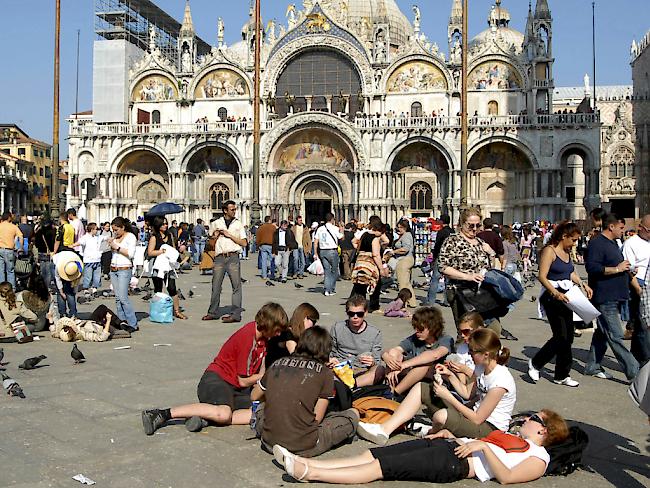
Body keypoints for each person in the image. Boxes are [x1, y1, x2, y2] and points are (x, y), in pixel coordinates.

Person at [272, 409, 570, 485]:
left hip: (458, 465)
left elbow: (506, 477)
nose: (525, 420)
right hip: (453, 449)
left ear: (543, 430)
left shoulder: (539, 456)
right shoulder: (515, 438)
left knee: (381, 469)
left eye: (532, 419)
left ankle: (308, 473)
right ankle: (307, 462)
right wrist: (454, 437)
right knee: (375, 454)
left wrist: (482, 446)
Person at [141, 303, 289, 435]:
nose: (278, 334)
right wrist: (266, 377)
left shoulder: (263, 340)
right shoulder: (247, 337)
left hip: (233, 387)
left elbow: (258, 375)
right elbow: (244, 381)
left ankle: (207, 417)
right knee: (224, 414)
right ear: (269, 324)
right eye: (277, 330)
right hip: (216, 380)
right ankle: (162, 414)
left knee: (261, 409)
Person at [358, 328, 515, 443]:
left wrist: (447, 396)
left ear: (486, 354)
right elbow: (468, 394)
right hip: (473, 415)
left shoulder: (500, 381)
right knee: (422, 387)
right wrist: (450, 375)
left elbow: (477, 419)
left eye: (473, 352)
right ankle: (385, 430)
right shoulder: (481, 367)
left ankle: (435, 432)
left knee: (441, 416)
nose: (470, 355)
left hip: (489, 429)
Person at [252, 326, 359, 456]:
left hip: (269, 441)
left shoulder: (277, 363)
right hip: (303, 446)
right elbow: (317, 419)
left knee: (262, 407)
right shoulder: (325, 373)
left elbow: (254, 396)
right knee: (352, 414)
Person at [528, 221, 592, 387]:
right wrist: (555, 293)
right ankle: (535, 363)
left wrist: (582, 284)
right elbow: (542, 276)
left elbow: (570, 272)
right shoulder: (549, 251)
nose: (575, 243)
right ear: (564, 236)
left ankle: (561, 375)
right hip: (552, 296)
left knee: (568, 336)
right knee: (560, 336)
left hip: (567, 295)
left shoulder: (567, 251)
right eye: (573, 240)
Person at [584, 213, 640, 381]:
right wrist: (617, 269)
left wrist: (627, 270)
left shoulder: (613, 243)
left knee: (603, 333)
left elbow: (617, 266)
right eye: (621, 228)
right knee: (616, 335)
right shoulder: (597, 244)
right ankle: (635, 372)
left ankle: (592, 366)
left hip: (614, 295)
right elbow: (593, 268)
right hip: (604, 296)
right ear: (611, 226)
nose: (623, 231)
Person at [358, 306, 453, 396]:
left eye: (420, 329)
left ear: (432, 328)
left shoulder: (445, 339)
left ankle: (394, 393)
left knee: (423, 366)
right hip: (411, 376)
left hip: (435, 377)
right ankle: (389, 386)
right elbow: (395, 350)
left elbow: (434, 355)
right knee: (393, 354)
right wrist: (386, 356)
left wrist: (403, 365)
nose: (416, 331)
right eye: (415, 327)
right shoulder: (415, 338)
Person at [438, 208, 499, 335]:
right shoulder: (453, 241)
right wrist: (467, 276)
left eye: (478, 225)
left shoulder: (480, 242)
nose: (474, 229)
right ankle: (462, 353)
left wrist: (491, 253)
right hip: (461, 292)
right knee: (468, 333)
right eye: (471, 225)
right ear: (462, 224)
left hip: (482, 293)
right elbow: (443, 267)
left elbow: (490, 267)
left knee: (493, 329)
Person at [203, 200, 247, 323]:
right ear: (225, 210)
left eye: (235, 209)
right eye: (232, 209)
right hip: (219, 258)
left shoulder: (238, 224)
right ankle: (212, 312)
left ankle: (235, 314)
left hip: (233, 257)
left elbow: (244, 243)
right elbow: (210, 244)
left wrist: (229, 236)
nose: (234, 211)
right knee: (216, 285)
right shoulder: (216, 223)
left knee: (236, 286)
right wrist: (215, 235)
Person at [329, 295, 383, 384]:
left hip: (362, 371)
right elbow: (330, 352)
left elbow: (377, 361)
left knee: (379, 370)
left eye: (359, 314)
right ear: (347, 313)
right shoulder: (337, 328)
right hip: (340, 369)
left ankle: (351, 386)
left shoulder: (375, 333)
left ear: (365, 313)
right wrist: (331, 360)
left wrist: (372, 362)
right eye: (351, 314)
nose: (355, 317)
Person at [622, 214, 650, 364]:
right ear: (641, 227)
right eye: (649, 230)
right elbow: (629, 269)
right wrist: (638, 289)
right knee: (643, 324)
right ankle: (646, 360)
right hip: (638, 285)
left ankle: (636, 358)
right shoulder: (631, 244)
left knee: (641, 326)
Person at [147, 216, 186, 320]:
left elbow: (173, 249)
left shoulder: (170, 235)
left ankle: (177, 311)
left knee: (172, 288)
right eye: (163, 224)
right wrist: (162, 251)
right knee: (158, 289)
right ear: (158, 225)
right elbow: (150, 252)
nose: (165, 225)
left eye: (166, 223)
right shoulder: (154, 237)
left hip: (168, 266)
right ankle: (158, 311)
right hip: (157, 266)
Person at [350, 218, 390, 312]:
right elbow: (376, 255)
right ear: (378, 230)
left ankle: (358, 305)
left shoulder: (364, 235)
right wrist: (381, 268)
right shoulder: (375, 239)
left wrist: (361, 250)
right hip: (370, 264)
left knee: (360, 285)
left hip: (360, 261)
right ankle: (374, 306)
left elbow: (353, 241)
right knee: (375, 283)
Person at [265, 302, 320, 368]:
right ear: (305, 318)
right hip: (274, 371)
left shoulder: (296, 334)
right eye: (313, 321)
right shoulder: (287, 334)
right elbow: (297, 358)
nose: (313, 325)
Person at [108, 217, 138, 332]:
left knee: (123, 298)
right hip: (113, 269)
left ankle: (133, 323)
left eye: (116, 229)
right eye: (113, 230)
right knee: (117, 298)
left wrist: (117, 247)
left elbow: (130, 254)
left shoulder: (130, 237)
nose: (115, 232)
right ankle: (122, 321)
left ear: (123, 227)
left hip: (124, 269)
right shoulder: (115, 238)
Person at [387, 220, 418, 308]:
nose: (399, 229)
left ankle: (403, 302)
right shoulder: (404, 235)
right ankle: (412, 302)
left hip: (404, 260)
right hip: (405, 259)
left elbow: (405, 248)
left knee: (402, 283)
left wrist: (394, 251)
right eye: (398, 227)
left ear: (405, 227)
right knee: (407, 283)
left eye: (401, 227)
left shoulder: (406, 235)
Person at [314, 213, 343, 296]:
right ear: (332, 219)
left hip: (322, 251)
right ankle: (331, 289)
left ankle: (327, 289)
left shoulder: (320, 229)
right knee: (334, 271)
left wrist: (315, 253)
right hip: (332, 251)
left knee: (327, 271)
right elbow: (341, 237)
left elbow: (316, 242)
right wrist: (342, 229)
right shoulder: (335, 228)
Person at [427, 214, 453, 306]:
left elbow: (437, 245)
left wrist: (434, 257)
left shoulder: (441, 232)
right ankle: (447, 301)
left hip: (441, 257)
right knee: (448, 280)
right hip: (450, 258)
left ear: (442, 221)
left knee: (435, 279)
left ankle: (430, 301)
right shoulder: (452, 232)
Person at [74, 223, 106, 294]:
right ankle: (86, 288)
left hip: (97, 259)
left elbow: (105, 238)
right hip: (88, 260)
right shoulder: (85, 237)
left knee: (97, 276)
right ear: (92, 229)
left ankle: (95, 288)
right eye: (96, 229)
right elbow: (80, 242)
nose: (97, 230)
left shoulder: (98, 237)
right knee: (88, 275)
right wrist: (72, 245)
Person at [52, 250, 83, 318]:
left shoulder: (77, 267)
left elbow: (76, 282)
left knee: (70, 293)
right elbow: (58, 280)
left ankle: (73, 313)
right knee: (61, 294)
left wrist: (74, 291)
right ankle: (63, 313)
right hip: (58, 261)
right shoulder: (58, 267)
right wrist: (62, 292)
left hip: (70, 262)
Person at [0, 211, 23, 288]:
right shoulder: (13, 227)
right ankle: (11, 289)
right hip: (9, 250)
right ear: (9, 217)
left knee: (1, 271)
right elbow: (21, 236)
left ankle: (2, 289)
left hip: (0, 250)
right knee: (10, 271)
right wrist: (21, 247)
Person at [33, 218, 56, 289]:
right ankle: (47, 286)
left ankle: (43, 286)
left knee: (43, 271)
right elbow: (54, 242)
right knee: (49, 271)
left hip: (41, 252)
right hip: (50, 253)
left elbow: (36, 243)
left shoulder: (39, 231)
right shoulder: (53, 231)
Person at [256, 216, 276, 280]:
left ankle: (264, 275)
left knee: (263, 261)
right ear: (269, 220)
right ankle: (272, 274)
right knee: (272, 260)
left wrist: (258, 245)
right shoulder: (273, 227)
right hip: (271, 245)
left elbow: (258, 237)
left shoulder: (261, 227)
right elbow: (276, 237)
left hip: (263, 245)